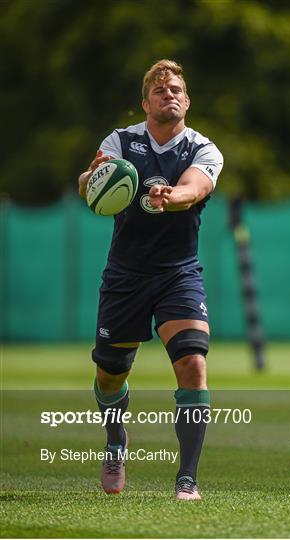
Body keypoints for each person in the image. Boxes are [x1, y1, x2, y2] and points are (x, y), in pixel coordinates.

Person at [78, 59, 223, 500]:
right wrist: (91, 179)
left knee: (193, 364)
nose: (170, 95)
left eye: (177, 89)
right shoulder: (120, 141)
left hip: (178, 272)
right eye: (161, 91)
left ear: (188, 100)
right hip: (125, 273)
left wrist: (171, 196)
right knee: (110, 374)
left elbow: (195, 188)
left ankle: (187, 480)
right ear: (146, 102)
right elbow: (90, 180)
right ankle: (116, 442)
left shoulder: (204, 149)